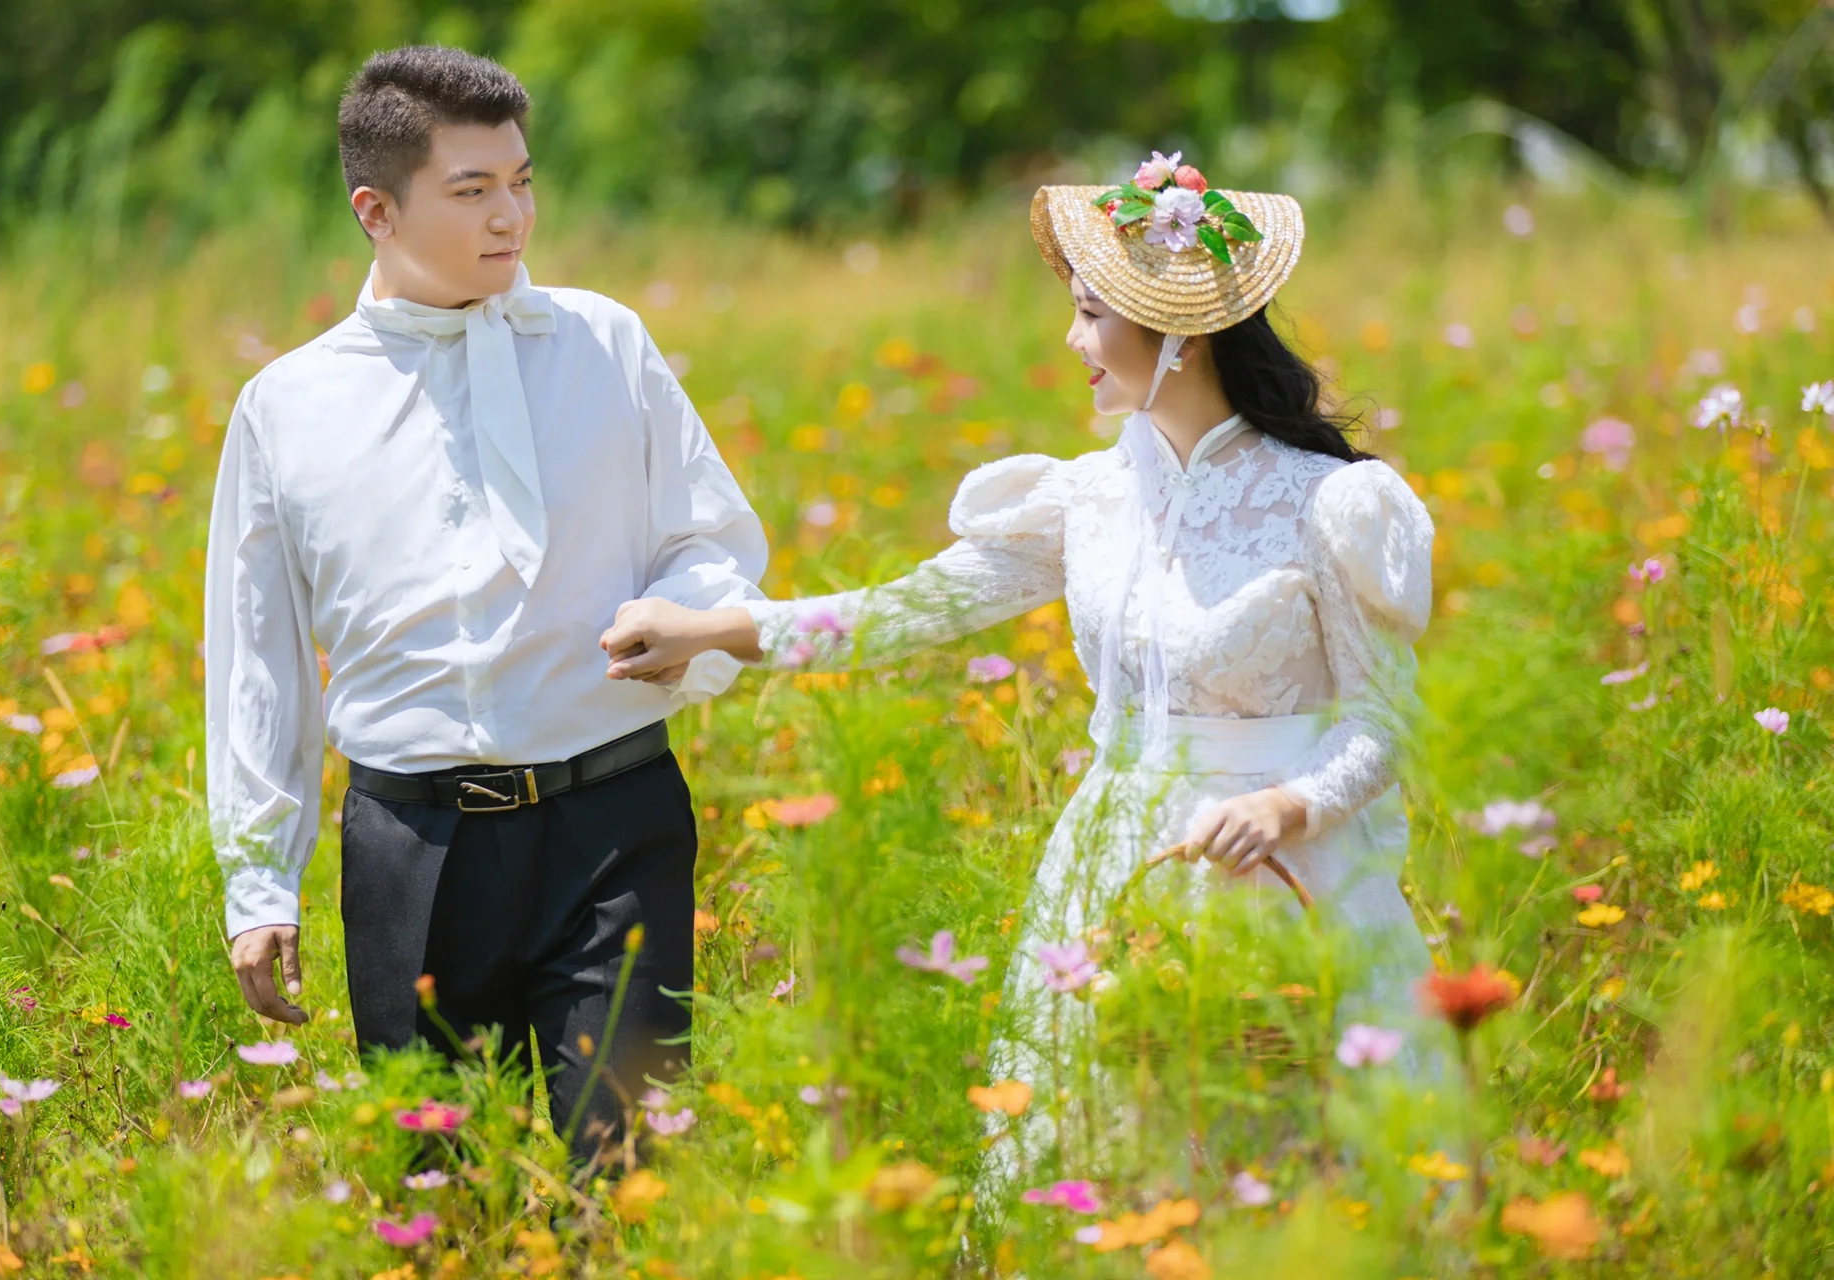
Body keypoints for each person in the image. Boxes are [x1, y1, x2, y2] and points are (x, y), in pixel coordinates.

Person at [598, 157, 1437, 1171]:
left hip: (1292, 864)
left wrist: (1286, 808)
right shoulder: (1087, 498)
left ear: (1176, 333)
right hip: (1123, 860)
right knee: (1112, 1157)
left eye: (1092, 316)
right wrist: (713, 629)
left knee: (1292, 1156)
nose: (1073, 341)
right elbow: (904, 612)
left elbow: (1386, 719)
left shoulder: (1325, 503)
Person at [204, 46, 767, 1154]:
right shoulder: (288, 406)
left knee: (631, 1171)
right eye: (473, 191)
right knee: (448, 1194)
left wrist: (685, 621)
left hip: (617, 826)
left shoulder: (606, 341)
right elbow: (256, 654)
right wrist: (259, 877)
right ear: (376, 208)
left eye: (521, 179)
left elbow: (710, 538)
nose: (513, 215)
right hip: (412, 849)